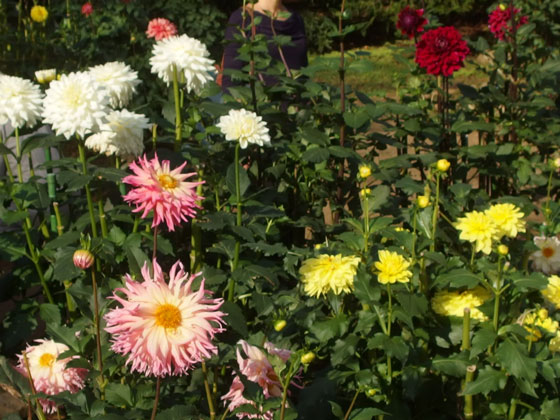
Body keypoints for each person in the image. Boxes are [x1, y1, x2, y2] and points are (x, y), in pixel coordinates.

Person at [221, 0, 308, 90]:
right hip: (263, 102)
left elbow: (304, 73)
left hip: (298, 102)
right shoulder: (242, 18)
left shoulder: (296, 19)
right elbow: (231, 82)